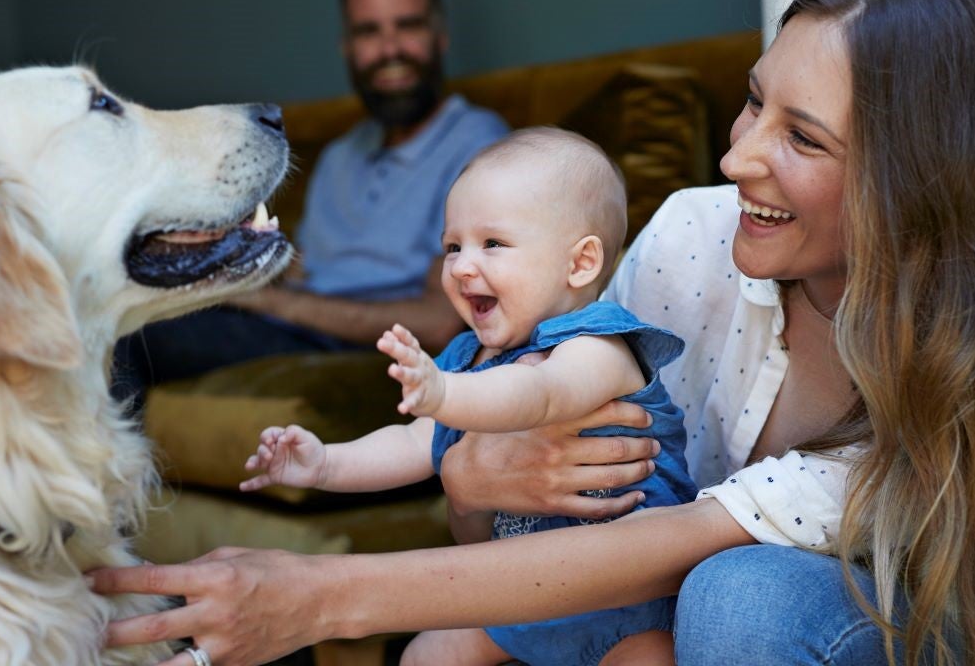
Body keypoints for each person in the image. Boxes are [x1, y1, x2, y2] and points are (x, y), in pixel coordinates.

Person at [92, 0, 975, 666]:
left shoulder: (971, 356)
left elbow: (667, 551)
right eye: (753, 105)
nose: (737, 157)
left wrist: (321, 597)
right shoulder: (689, 240)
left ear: (913, 183)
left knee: (741, 596)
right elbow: (533, 513)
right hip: (650, 594)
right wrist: (474, 480)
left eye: (801, 137)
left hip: (908, 633)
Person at [240, 128, 697, 666]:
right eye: (452, 246)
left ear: (580, 264)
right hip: (522, 596)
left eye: (492, 244)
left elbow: (539, 393)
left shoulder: (598, 345)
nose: (460, 266)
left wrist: (445, 392)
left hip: (629, 601)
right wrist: (324, 465)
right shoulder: (468, 358)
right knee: (424, 656)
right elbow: (414, 445)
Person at [111, 0, 508, 406]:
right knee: (117, 312)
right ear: (348, 48)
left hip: (355, 347)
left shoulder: (480, 144)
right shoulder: (340, 155)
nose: (389, 48)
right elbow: (306, 268)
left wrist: (264, 302)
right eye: (368, 32)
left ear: (440, 38)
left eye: (408, 26)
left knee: (128, 339)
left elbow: (441, 320)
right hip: (284, 326)